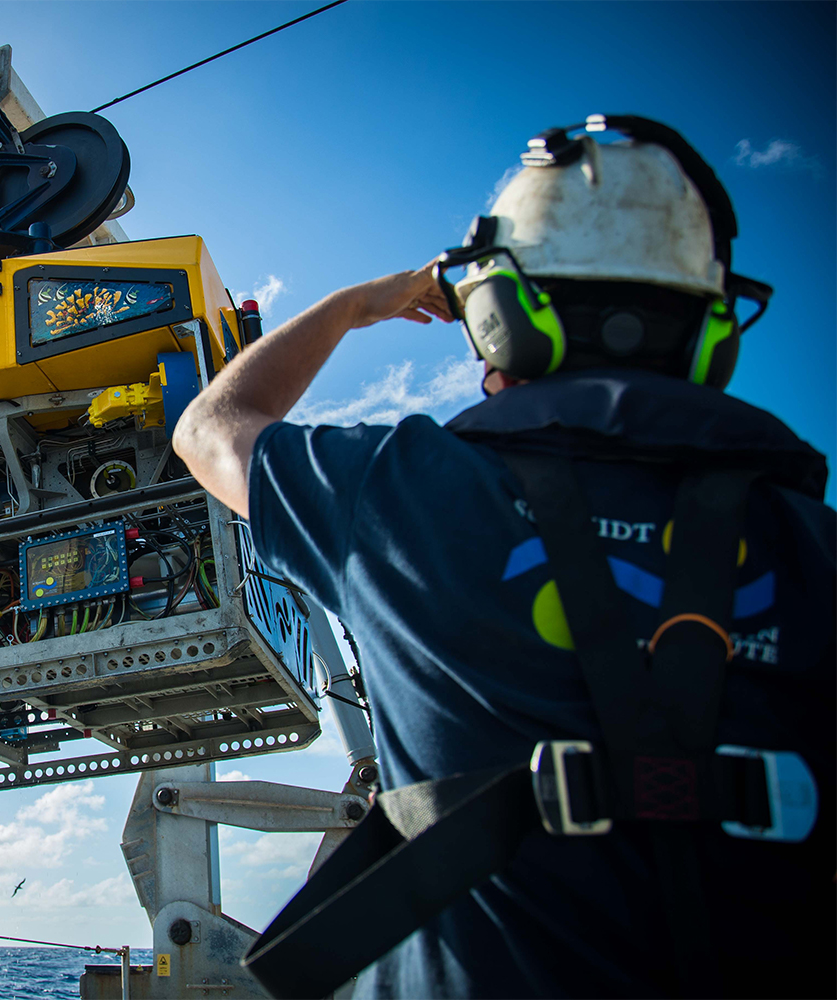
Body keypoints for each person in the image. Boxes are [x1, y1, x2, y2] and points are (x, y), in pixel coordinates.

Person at [174, 116, 833, 998]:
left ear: (503, 319)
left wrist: (357, 304)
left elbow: (209, 430)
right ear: (714, 335)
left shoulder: (399, 492)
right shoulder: (816, 551)